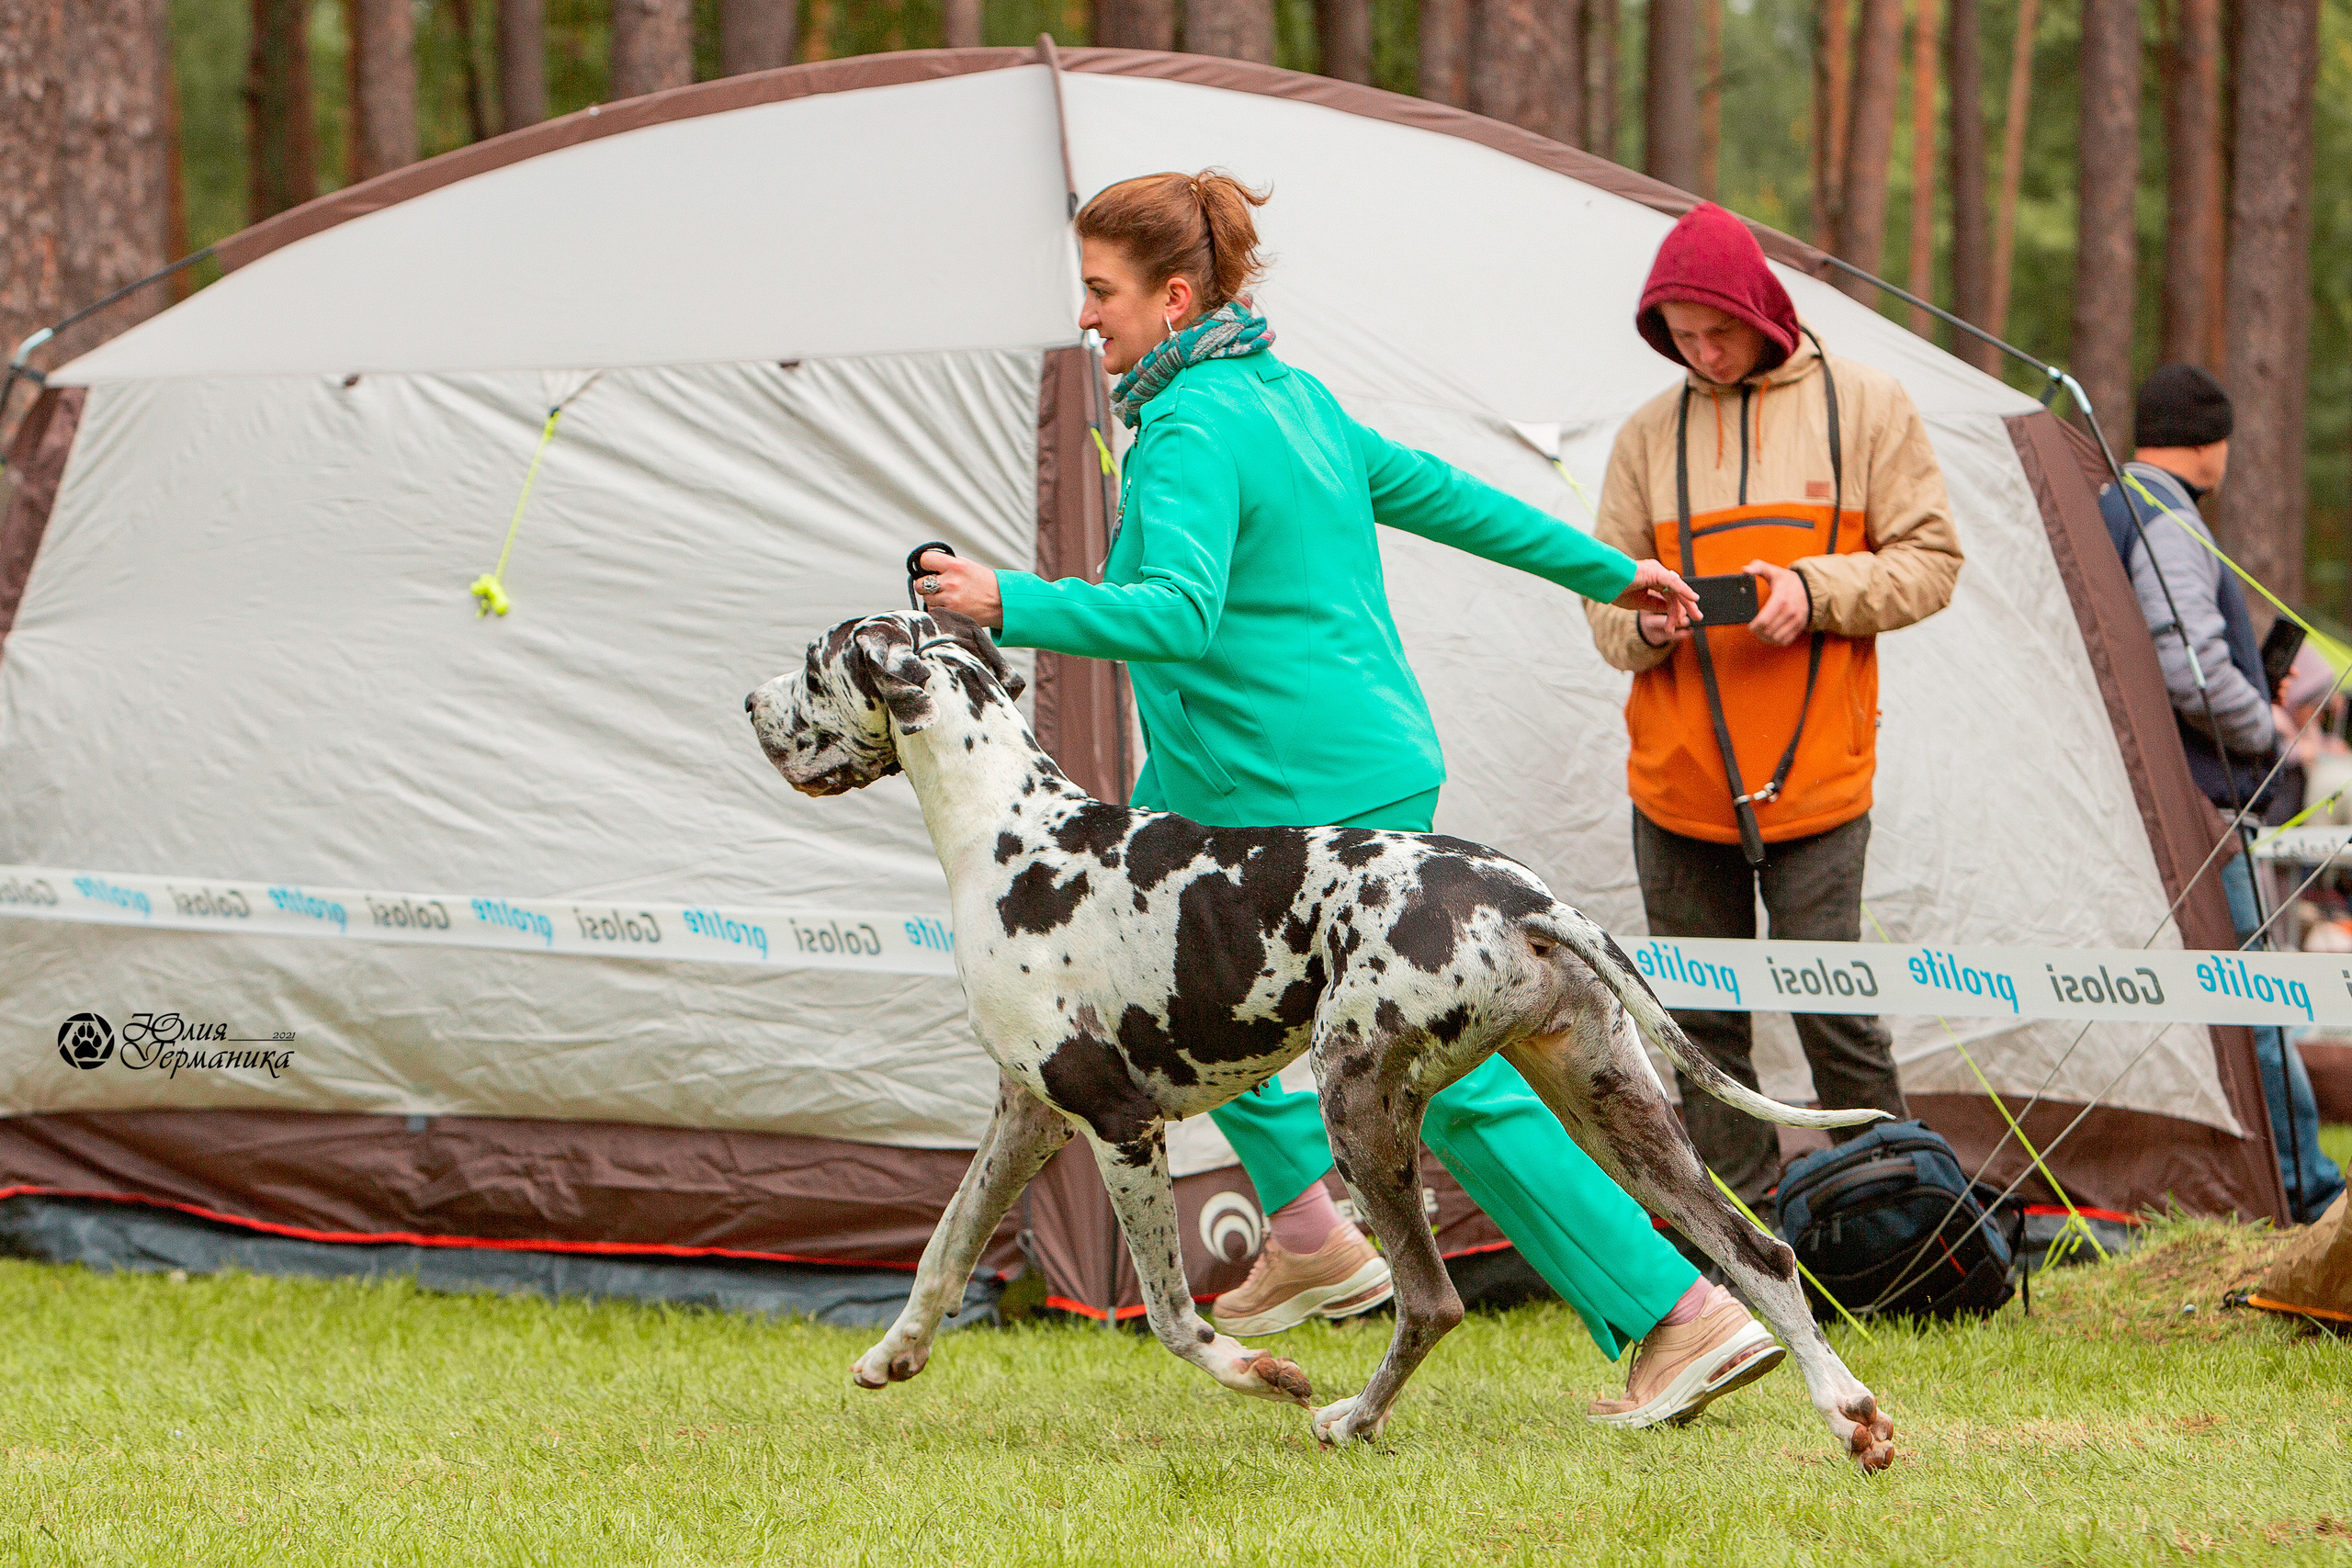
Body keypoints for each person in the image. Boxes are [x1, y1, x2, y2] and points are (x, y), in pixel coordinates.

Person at [914, 170, 1783, 1427]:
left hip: (1282, 791)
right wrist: (1608, 568)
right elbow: (1448, 495)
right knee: (1154, 990)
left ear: (1173, 294)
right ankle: (1315, 1229)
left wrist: (1012, 602)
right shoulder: (1290, 396)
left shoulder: (1192, 430)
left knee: (1452, 1074)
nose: (1086, 315)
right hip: (1296, 769)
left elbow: (1178, 614)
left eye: (1100, 292)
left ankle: (1677, 1313)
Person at [1583, 203, 1963, 1211]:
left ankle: (1903, 1222)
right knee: (1701, 1025)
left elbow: (1932, 565)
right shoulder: (1644, 437)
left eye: (1715, 329)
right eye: (1678, 336)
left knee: (1833, 1010)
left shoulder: (1868, 406)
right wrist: (1645, 623)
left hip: (1816, 780)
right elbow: (1599, 604)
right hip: (1676, 787)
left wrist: (1814, 588)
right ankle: (1742, 1242)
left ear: (1762, 310)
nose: (1699, 353)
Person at [2097, 364, 2346, 1222]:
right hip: (2202, 806)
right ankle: (2310, 1193)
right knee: (2258, 1001)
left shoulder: (2119, 503)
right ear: (2213, 440)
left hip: (2162, 803)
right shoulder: (2168, 516)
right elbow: (2190, 669)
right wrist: (2266, 729)